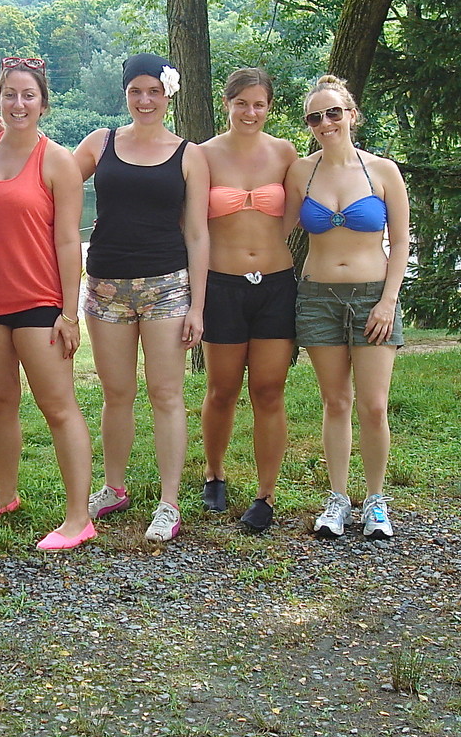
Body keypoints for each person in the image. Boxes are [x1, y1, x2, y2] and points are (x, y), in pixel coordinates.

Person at [75, 53, 209, 543]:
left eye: (154, 90)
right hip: (106, 287)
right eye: (136, 91)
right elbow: (53, 183)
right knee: (117, 394)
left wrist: (198, 304)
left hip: (167, 286)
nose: (145, 100)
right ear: (125, 95)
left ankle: (169, 502)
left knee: (166, 394)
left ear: (167, 93)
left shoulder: (189, 154)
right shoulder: (100, 144)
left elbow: (198, 234)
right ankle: (114, 487)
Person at [0, 57, 95, 551]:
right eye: (10, 95)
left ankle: (79, 517)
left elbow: (67, 243)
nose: (19, 104)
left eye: (29, 95)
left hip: (40, 303)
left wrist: (69, 311)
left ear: (43, 102)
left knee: (59, 408)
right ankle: (4, 496)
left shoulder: (58, 161)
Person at [285, 74, 410, 540]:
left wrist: (387, 301)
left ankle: (376, 501)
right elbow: (272, 229)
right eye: (314, 117)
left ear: (352, 114)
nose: (324, 122)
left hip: (373, 296)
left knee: (374, 406)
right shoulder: (302, 172)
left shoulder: (382, 171)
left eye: (333, 112)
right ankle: (337, 499)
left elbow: (400, 242)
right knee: (335, 401)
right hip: (317, 298)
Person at [198, 68, 299, 532]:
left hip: (276, 285)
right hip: (222, 284)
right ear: (227, 104)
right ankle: (214, 474)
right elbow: (192, 226)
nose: (250, 112)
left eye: (259, 104)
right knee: (222, 389)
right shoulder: (204, 156)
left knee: (268, 390)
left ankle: (266, 494)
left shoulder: (284, 153)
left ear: (269, 106)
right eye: (241, 103)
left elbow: (296, 215)